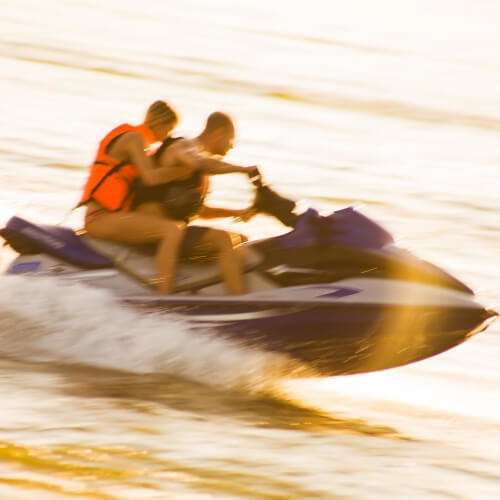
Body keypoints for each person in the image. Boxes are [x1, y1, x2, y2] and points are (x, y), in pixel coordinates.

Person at [133, 111, 259, 295]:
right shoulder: (185, 146)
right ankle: (239, 301)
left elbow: (199, 211)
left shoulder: (201, 172)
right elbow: (198, 162)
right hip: (150, 229)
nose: (231, 147)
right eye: (231, 141)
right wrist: (242, 169)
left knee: (240, 239)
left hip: (172, 232)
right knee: (223, 240)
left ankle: (207, 290)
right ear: (219, 133)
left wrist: (239, 212)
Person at [78, 100, 192, 294]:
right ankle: (165, 296)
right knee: (171, 231)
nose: (169, 135)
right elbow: (151, 177)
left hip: (109, 217)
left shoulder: (143, 146)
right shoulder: (134, 139)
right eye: (169, 129)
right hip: (100, 217)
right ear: (160, 124)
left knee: (168, 223)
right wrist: (184, 170)